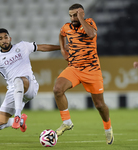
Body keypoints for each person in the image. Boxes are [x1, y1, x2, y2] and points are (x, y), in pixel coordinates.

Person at [53, 4, 114, 145]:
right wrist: (63, 50)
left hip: (92, 70)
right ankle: (67, 122)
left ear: (82, 13)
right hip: (74, 68)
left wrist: (81, 18)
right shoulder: (66, 27)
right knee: (57, 89)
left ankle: (108, 127)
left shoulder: (90, 23)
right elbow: (61, 34)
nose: (73, 18)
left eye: (75, 15)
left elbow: (91, 34)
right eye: (71, 15)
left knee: (99, 104)